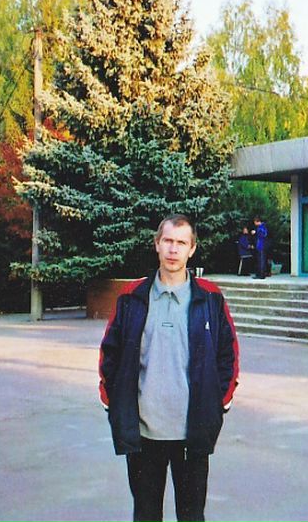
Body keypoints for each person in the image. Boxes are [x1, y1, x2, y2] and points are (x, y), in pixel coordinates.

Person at [99, 214, 239, 522]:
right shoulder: (132, 297)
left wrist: (219, 403)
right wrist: (113, 402)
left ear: (192, 249)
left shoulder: (210, 299)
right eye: (168, 241)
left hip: (192, 432)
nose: (173, 249)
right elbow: (110, 353)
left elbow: (228, 355)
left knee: (191, 515)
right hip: (143, 433)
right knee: (146, 514)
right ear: (157, 244)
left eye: (181, 243)